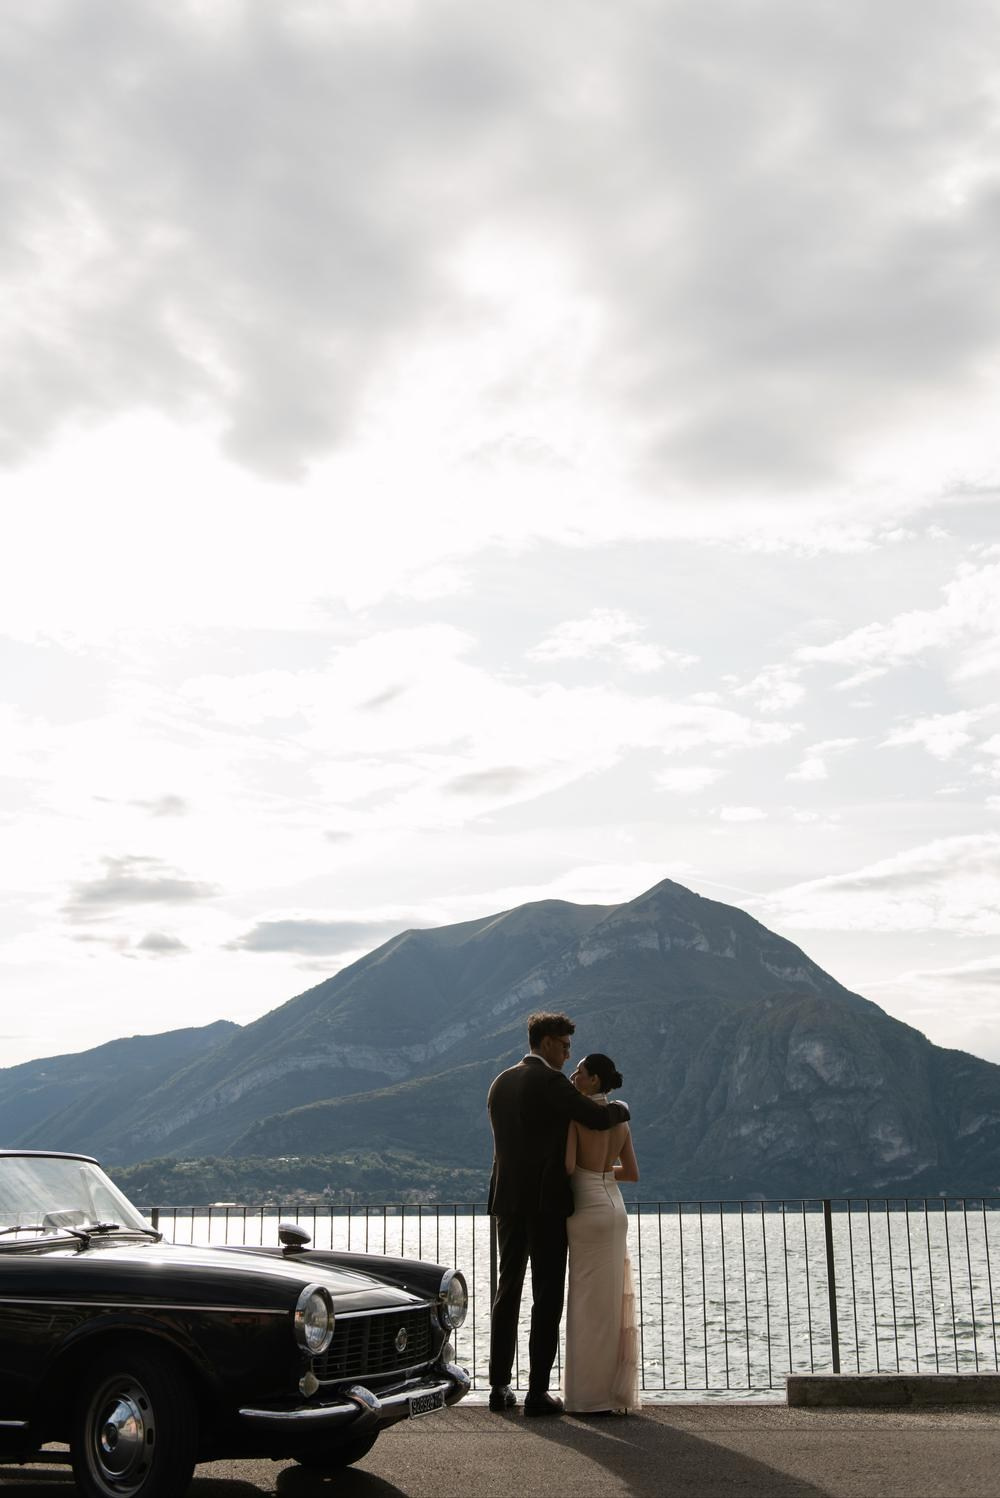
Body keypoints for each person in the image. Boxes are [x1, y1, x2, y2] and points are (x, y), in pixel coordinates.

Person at [487, 1012, 631, 1416]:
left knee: (507, 1290)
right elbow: (598, 1117)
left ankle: (499, 1388)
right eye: (565, 1046)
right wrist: (623, 1106)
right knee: (546, 1297)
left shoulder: (500, 1082)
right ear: (547, 1042)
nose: (569, 1055)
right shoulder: (549, 1082)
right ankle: (536, 1392)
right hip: (546, 1204)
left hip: (506, 1201)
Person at [562, 1053, 641, 1414]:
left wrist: (584, 1177)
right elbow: (632, 1173)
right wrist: (604, 1173)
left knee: (584, 1304)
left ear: (594, 1080)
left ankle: (585, 1398)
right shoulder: (621, 1120)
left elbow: (566, 1166)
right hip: (615, 1208)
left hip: (588, 1212)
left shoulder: (576, 1117)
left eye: (581, 1071)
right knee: (609, 1303)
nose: (574, 1074)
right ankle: (609, 1394)